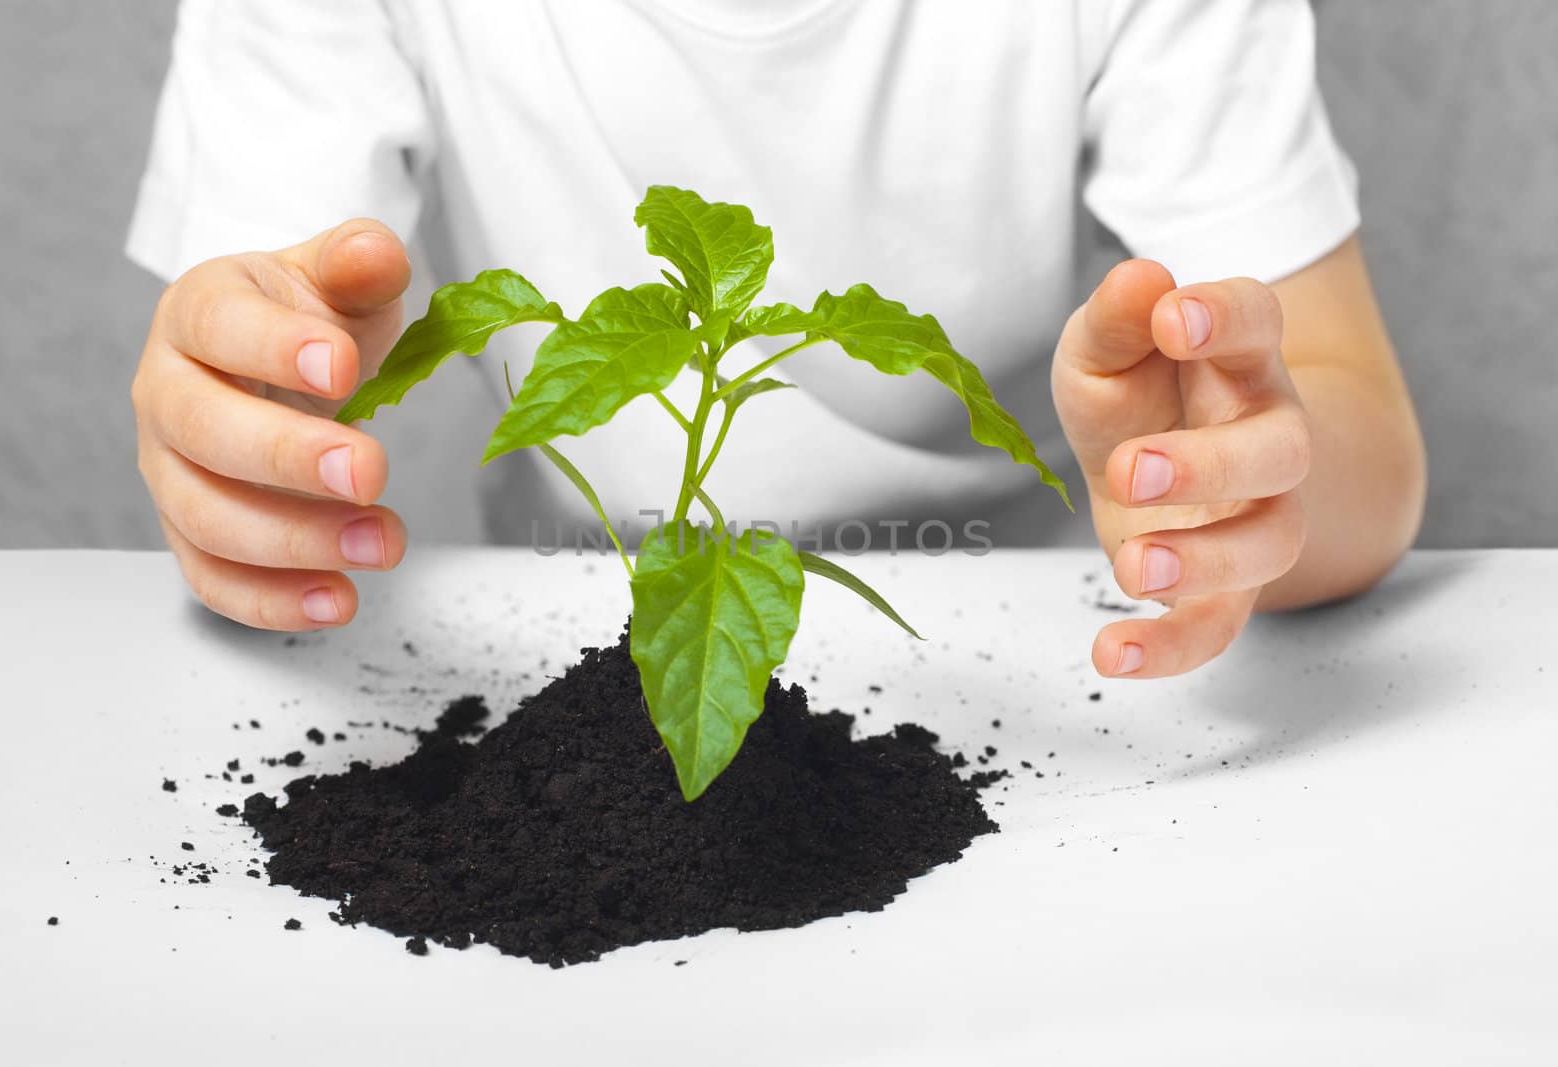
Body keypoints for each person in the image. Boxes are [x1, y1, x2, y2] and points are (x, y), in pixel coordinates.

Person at [127, 0, 1426, 680]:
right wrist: (250, 434)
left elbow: (1346, 423)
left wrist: (1235, 493)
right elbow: (260, 350)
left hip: (1038, 653)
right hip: (564, 655)